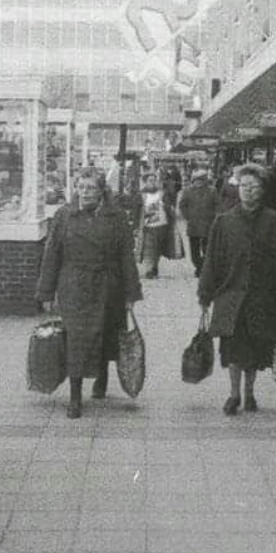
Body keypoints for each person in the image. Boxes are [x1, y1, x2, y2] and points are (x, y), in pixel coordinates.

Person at [36, 167, 143, 419]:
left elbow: (126, 257)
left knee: (105, 333)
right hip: (73, 285)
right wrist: (47, 292)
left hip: (108, 286)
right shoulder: (64, 216)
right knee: (76, 339)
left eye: (91, 188)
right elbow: (52, 255)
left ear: (102, 190)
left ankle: (101, 379)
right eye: (81, 187)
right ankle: (75, 396)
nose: (85, 193)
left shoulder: (116, 218)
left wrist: (131, 294)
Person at [198, 163, 276, 416]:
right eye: (243, 185)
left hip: (262, 298)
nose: (247, 191)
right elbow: (211, 261)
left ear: (262, 190)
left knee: (255, 349)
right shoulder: (223, 222)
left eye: (253, 186)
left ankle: (250, 392)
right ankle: (234, 394)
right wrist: (205, 295)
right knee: (233, 349)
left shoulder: (275, 222)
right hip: (231, 296)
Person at [177, 169, 218, 278]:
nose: (198, 182)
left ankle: (203, 268)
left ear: (205, 180)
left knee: (207, 249)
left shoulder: (212, 191)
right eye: (196, 180)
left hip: (208, 224)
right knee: (194, 250)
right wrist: (188, 216)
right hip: (193, 224)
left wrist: (214, 217)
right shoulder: (188, 191)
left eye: (201, 180)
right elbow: (182, 205)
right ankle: (199, 266)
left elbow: (217, 205)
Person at [137, 172, 171, 279]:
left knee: (157, 248)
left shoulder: (162, 194)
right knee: (148, 248)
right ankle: (149, 269)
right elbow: (137, 210)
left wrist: (166, 206)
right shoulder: (141, 195)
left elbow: (169, 206)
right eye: (150, 180)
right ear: (145, 182)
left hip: (161, 225)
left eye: (154, 180)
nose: (153, 183)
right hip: (147, 225)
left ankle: (154, 266)